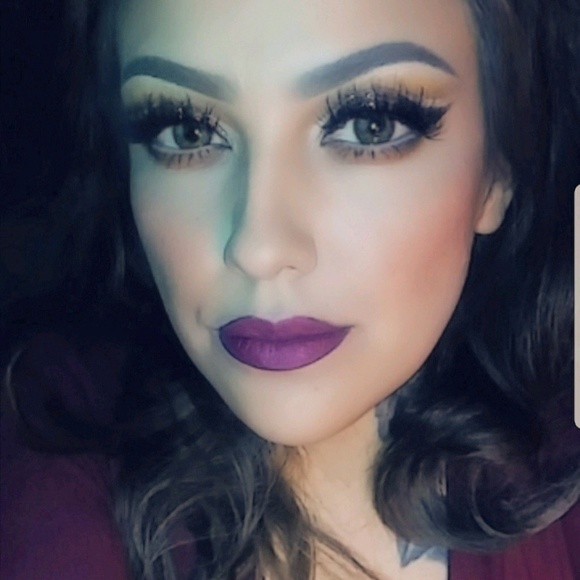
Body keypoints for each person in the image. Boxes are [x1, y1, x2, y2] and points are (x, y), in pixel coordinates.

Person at [2, 0, 579, 578]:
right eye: (186, 129)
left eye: (370, 124)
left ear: (497, 172)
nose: (259, 248)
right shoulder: (52, 435)